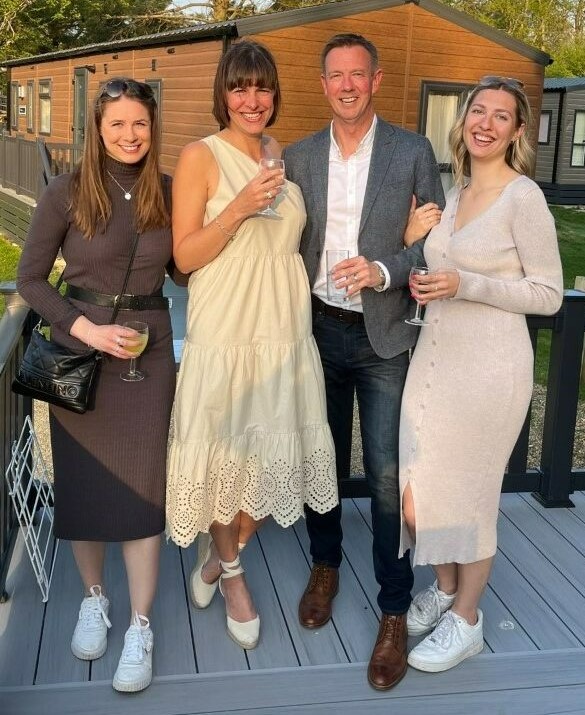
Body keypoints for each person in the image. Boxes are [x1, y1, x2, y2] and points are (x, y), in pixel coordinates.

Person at [282, 33, 445, 690]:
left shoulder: (412, 151)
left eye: (357, 74)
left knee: (384, 479)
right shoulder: (297, 158)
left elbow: (435, 238)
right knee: (318, 461)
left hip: (381, 341)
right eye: (335, 76)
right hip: (313, 334)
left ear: (375, 80)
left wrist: (384, 268)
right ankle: (324, 565)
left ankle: (393, 608)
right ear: (322, 84)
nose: (346, 85)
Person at [166, 39, 337, 650]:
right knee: (223, 457)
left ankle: (217, 559)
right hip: (226, 330)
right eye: (240, 87)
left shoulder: (278, 154)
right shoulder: (200, 156)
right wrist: (237, 207)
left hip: (284, 332)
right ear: (223, 93)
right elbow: (184, 256)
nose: (252, 99)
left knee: (272, 466)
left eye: (262, 87)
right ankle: (233, 575)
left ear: (274, 95)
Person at [17, 78, 180, 693]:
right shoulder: (65, 192)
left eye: (139, 123)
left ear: (152, 127)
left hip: (148, 352)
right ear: (98, 129)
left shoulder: (169, 193)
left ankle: (140, 624)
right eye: (117, 125)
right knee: (84, 487)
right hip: (79, 354)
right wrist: (84, 329)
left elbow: (189, 264)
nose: (129, 135)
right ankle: (93, 597)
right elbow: (31, 279)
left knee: (142, 487)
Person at [399, 76, 564, 673]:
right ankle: (445, 587)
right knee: (417, 496)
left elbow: (548, 295)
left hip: (490, 370)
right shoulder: (456, 187)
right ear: (464, 119)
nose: (486, 123)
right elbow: (440, 267)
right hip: (435, 360)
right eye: (478, 111)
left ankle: (466, 619)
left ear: (517, 132)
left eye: (501, 116)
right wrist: (416, 248)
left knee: (469, 498)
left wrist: (468, 285)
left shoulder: (524, 198)